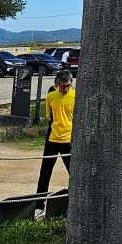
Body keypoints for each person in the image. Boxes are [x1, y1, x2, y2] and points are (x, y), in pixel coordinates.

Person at [34, 69, 75, 221]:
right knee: (44, 174)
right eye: (63, 86)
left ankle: (74, 203)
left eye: (68, 86)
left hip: (68, 141)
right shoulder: (51, 96)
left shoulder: (75, 96)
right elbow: (50, 118)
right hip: (52, 140)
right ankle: (39, 206)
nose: (65, 89)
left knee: (74, 174)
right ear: (57, 84)